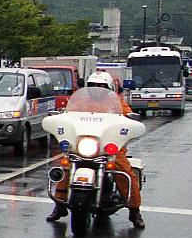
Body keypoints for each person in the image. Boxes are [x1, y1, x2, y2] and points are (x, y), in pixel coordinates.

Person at [46, 74, 145, 229]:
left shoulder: (117, 103)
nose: (97, 90)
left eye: (102, 87)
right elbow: (67, 116)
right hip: (83, 144)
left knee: (124, 171)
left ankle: (134, 211)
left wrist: (130, 124)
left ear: (109, 88)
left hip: (108, 148)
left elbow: (128, 121)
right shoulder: (78, 101)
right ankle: (60, 205)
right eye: (93, 86)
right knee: (66, 167)